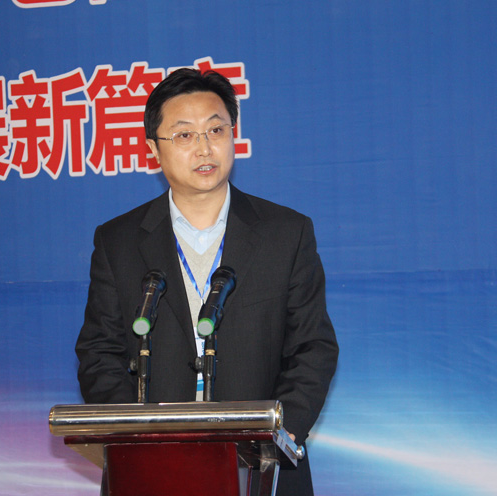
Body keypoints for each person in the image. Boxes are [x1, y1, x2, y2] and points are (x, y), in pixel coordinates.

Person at [76, 68, 339, 495]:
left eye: (216, 129)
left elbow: (313, 348)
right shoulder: (118, 241)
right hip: (151, 469)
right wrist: (136, 438)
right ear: (153, 149)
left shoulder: (286, 233)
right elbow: (99, 353)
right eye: (184, 135)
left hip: (263, 470)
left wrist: (276, 434)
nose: (204, 146)